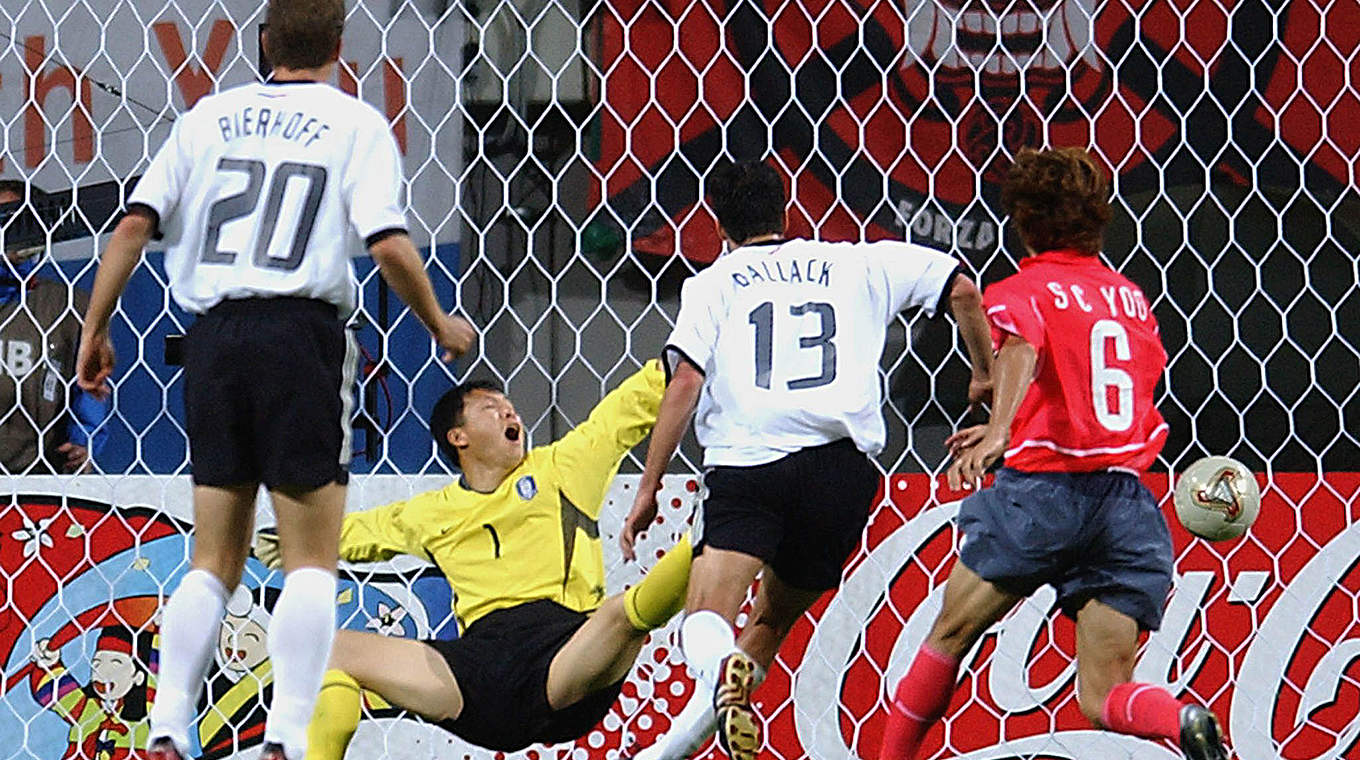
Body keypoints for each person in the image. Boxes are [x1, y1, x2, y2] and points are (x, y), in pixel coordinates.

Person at [74, 1, 476, 758]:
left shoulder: (205, 119)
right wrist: (439, 323)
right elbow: (388, 242)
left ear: (263, 43)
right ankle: (286, 739)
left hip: (214, 341)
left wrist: (94, 331)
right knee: (310, 563)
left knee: (213, 562)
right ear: (338, 44)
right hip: (300, 338)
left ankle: (164, 728)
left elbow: (131, 225)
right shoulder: (356, 124)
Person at [622, 160, 995, 760]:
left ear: (719, 226)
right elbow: (963, 289)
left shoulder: (713, 283)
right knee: (767, 624)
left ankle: (722, 671)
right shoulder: (856, 262)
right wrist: (983, 373)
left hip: (750, 466)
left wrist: (649, 484)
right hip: (840, 474)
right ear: (786, 211)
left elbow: (686, 378)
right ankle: (677, 740)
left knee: (704, 622)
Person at [877, 147, 1228, 760]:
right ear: (1097, 218)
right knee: (1104, 695)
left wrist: (1001, 431)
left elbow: (1023, 350)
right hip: (1125, 505)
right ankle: (1183, 722)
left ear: (1022, 220)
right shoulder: (1131, 299)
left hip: (1042, 496)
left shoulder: (1023, 289)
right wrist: (1023, 420)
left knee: (949, 635)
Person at [251, 361, 695, 758]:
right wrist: (296, 542)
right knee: (327, 649)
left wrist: (681, 358)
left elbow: (621, 413)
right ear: (458, 436)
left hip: (566, 657)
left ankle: (717, 531)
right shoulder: (432, 512)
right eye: (489, 407)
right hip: (479, 676)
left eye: (509, 406)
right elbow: (361, 533)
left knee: (622, 613)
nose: (509, 412)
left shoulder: (561, 469)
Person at [0, 181, 110, 474]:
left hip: (35, 482)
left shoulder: (70, 307)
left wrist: (84, 443)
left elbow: (89, 390)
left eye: (16, 224)